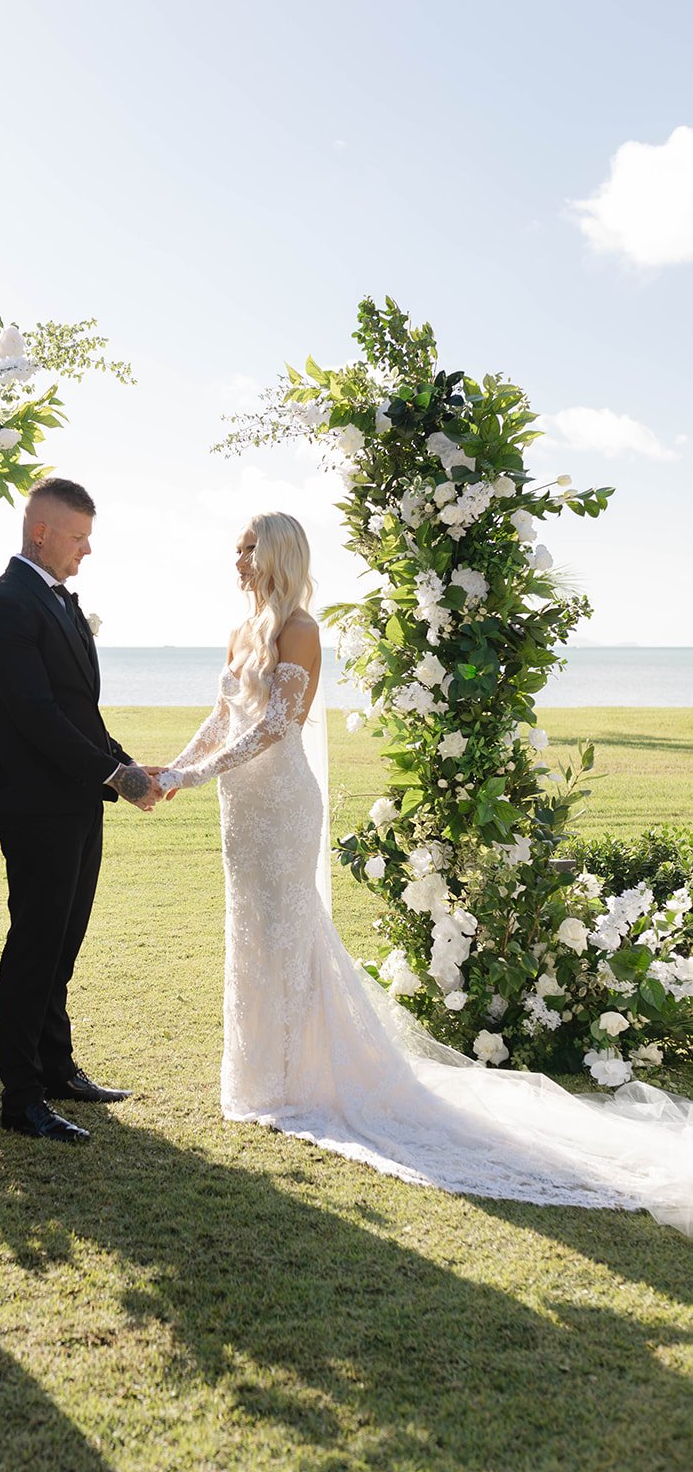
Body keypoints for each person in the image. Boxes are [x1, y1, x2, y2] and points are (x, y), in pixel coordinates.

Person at [157, 512, 693, 1235]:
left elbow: (278, 725)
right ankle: (260, 1077)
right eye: (237, 546)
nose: (237, 556)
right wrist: (176, 769)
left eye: (247, 547)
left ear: (277, 553)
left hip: (280, 802)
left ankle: (295, 1082)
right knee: (250, 931)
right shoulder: (242, 629)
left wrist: (196, 777)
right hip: (239, 809)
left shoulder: (301, 631)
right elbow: (222, 718)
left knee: (290, 932)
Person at [0, 476, 161, 1144]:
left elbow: (80, 712)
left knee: (64, 942)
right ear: (41, 533)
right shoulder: (2, 607)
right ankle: (21, 1098)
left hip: (77, 800)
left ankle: (56, 1068)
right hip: (33, 805)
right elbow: (38, 717)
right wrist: (115, 775)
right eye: (78, 538)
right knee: (35, 945)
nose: (86, 551)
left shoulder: (58, 602)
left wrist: (126, 767)